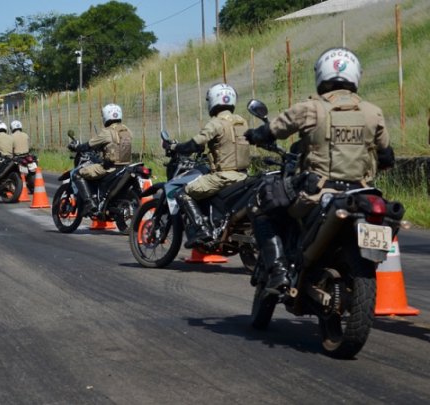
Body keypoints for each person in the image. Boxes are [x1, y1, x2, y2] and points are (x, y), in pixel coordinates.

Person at [245, 47, 395, 293]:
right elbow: (387, 155)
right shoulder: (373, 112)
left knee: (260, 206)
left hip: (317, 192)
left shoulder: (310, 109)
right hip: (361, 192)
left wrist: (254, 135)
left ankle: (279, 272)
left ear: (321, 75)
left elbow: (272, 130)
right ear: (356, 75)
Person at [164, 83, 250, 248]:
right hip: (243, 175)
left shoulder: (216, 123)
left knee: (184, 193)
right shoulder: (241, 122)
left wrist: (174, 147)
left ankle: (201, 230)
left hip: (223, 176)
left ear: (213, 101)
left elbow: (195, 145)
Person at [68, 103, 133, 216]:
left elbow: (89, 145)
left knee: (77, 174)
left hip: (109, 168)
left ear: (106, 116)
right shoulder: (127, 130)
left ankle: (89, 204)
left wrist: (77, 147)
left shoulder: (106, 132)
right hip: (125, 167)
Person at [10, 120, 34, 193]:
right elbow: (29, 146)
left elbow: (11, 148)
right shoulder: (26, 135)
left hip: (17, 157)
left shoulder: (11, 136)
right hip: (27, 156)